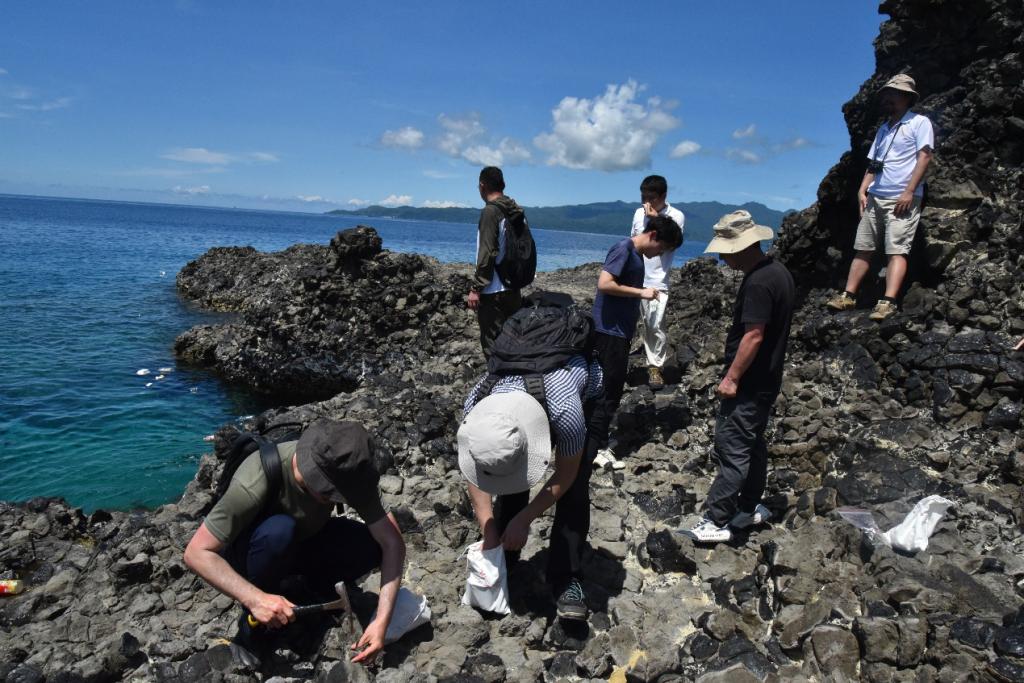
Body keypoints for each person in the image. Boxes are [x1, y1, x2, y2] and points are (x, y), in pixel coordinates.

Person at [183, 420, 406, 664]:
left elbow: (392, 543)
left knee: (369, 545)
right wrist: (255, 599)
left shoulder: (350, 473)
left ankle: (309, 591)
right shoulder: (257, 476)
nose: (340, 498)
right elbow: (196, 552)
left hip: (303, 540)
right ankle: (253, 627)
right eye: (332, 494)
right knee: (279, 531)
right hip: (255, 552)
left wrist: (381, 622)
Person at [458, 354, 603, 620]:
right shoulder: (475, 409)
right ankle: (505, 557)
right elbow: (476, 471)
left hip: (588, 395)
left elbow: (566, 474)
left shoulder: (566, 409)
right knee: (507, 475)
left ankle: (566, 578)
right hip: (532, 394)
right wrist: (489, 530)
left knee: (575, 487)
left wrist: (524, 519)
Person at [683, 210, 795, 543]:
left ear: (743, 247)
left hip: (748, 383)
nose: (722, 257)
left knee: (731, 448)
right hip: (767, 380)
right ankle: (748, 508)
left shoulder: (759, 282)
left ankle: (716, 520)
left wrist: (731, 378)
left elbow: (754, 336)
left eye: (726, 250)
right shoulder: (779, 272)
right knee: (753, 445)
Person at [826, 74, 934, 321]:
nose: (887, 99)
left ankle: (888, 302)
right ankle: (848, 296)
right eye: (886, 95)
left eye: (893, 94)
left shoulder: (919, 123)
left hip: (902, 197)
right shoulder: (884, 129)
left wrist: (909, 191)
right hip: (876, 196)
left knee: (897, 249)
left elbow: (925, 156)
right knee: (863, 247)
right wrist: (862, 189)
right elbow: (875, 163)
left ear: (906, 97)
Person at [587, 216, 682, 470]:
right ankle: (595, 448)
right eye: (662, 248)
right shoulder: (624, 249)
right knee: (608, 389)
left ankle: (593, 442)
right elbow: (604, 283)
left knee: (609, 388)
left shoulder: (636, 255)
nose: (660, 254)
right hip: (609, 332)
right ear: (653, 235)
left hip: (618, 332)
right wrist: (642, 292)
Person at [629, 175, 686, 389]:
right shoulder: (638, 213)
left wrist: (655, 220)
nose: (646, 202)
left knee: (655, 326)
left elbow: (672, 245)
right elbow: (632, 243)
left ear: (663, 196)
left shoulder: (676, 216)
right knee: (628, 321)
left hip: (657, 280)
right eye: (643, 197)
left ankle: (655, 367)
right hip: (635, 277)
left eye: (651, 198)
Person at [467, 166, 528, 356]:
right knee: (513, 342)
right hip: (513, 287)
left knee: (492, 345)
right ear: (503, 185)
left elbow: (487, 252)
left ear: (482, 186)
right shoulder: (516, 211)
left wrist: (476, 288)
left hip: (493, 292)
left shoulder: (490, 212)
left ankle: (496, 375)